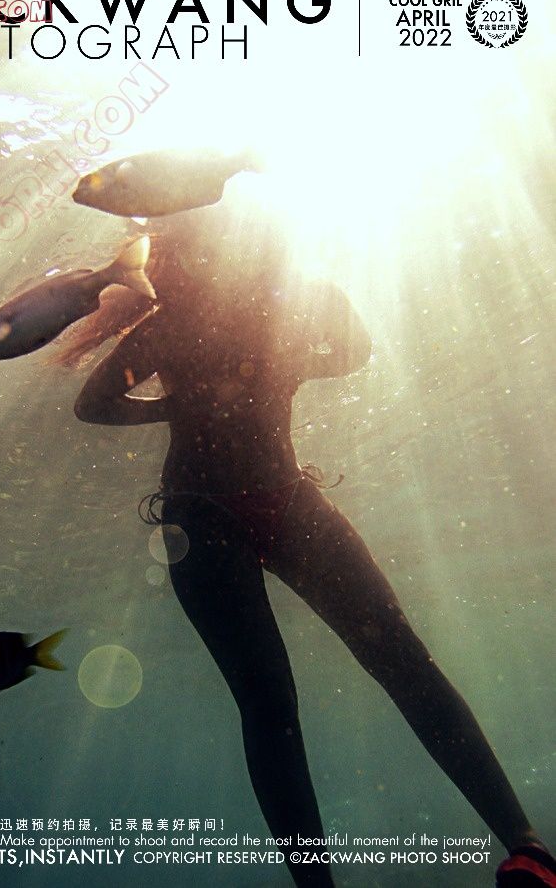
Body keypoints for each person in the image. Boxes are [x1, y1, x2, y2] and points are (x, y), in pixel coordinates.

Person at [56, 190, 554, 888]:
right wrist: (188, 400)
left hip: (234, 512)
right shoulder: (207, 320)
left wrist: (221, 389)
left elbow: (351, 349)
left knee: (292, 700)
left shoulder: (228, 315)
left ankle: (521, 847)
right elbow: (91, 405)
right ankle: (524, 846)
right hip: (222, 516)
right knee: (374, 672)